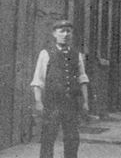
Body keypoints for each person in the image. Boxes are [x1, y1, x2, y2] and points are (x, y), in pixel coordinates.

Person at [30, 19, 90, 158]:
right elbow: (38, 80)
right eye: (61, 31)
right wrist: (38, 102)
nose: (65, 34)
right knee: (48, 138)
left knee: (72, 138)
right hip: (52, 104)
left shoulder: (77, 55)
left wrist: (85, 102)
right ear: (54, 34)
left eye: (68, 31)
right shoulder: (45, 54)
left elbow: (82, 79)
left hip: (71, 104)